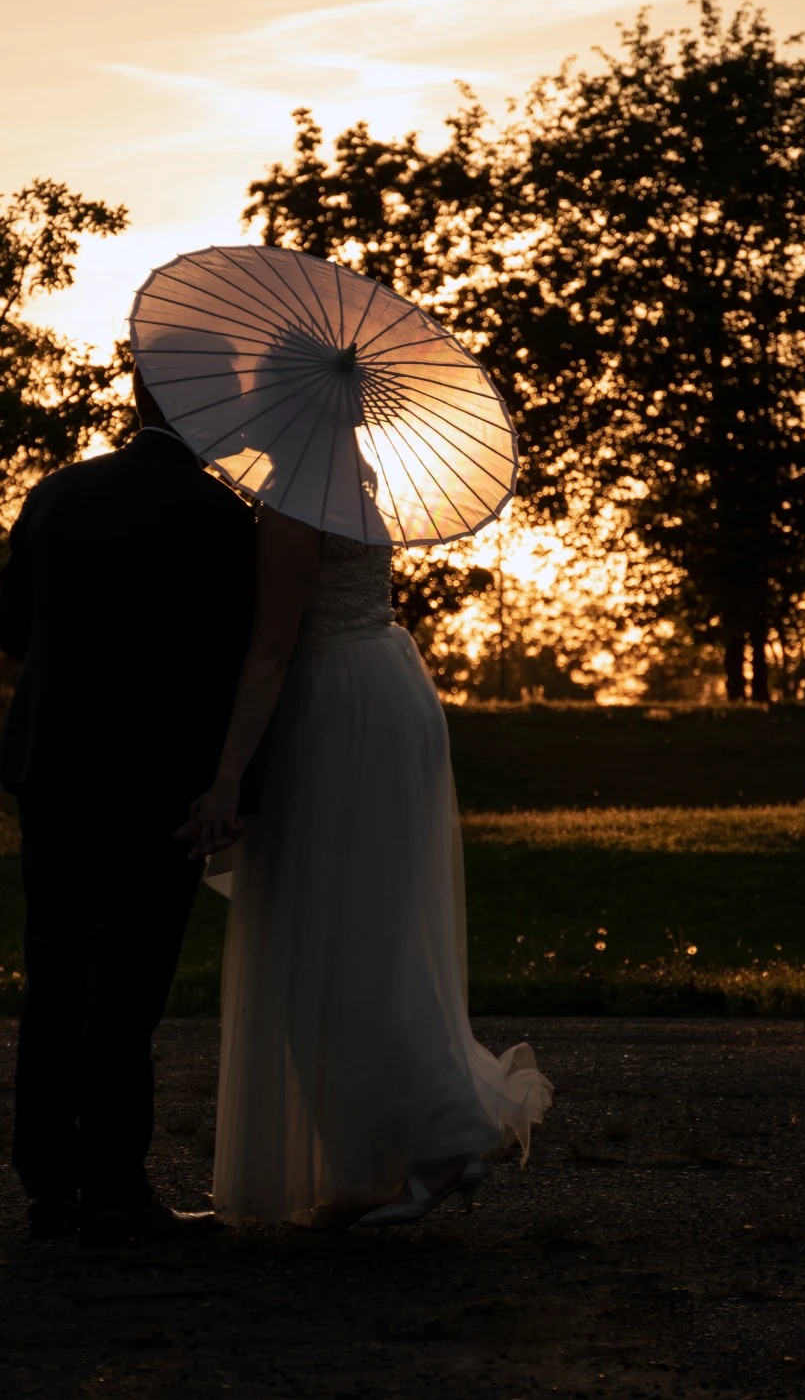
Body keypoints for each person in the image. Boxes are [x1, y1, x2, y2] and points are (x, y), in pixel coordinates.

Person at [178, 504, 553, 1229]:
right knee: (369, 929)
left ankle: (441, 1141)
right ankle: (379, 1163)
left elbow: (273, 649)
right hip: (382, 679)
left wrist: (228, 775)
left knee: (338, 937)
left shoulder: (296, 498)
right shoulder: (353, 474)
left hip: (335, 703)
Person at [0, 368, 255, 1242]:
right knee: (127, 981)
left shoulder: (59, 491)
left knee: (56, 967)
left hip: (51, 763)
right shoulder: (221, 517)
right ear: (202, 408)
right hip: (154, 781)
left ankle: (45, 1181)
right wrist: (234, 785)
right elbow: (222, 665)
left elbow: (12, 630)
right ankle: (113, 1186)